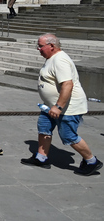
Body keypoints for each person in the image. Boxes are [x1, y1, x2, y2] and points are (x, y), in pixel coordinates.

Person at [21, 33, 102, 175]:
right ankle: (41, 157)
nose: (38, 49)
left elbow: (67, 85)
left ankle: (91, 161)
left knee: (69, 135)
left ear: (51, 46)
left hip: (66, 108)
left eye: (40, 46)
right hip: (50, 106)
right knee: (44, 128)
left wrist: (58, 106)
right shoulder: (52, 58)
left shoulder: (60, 60)